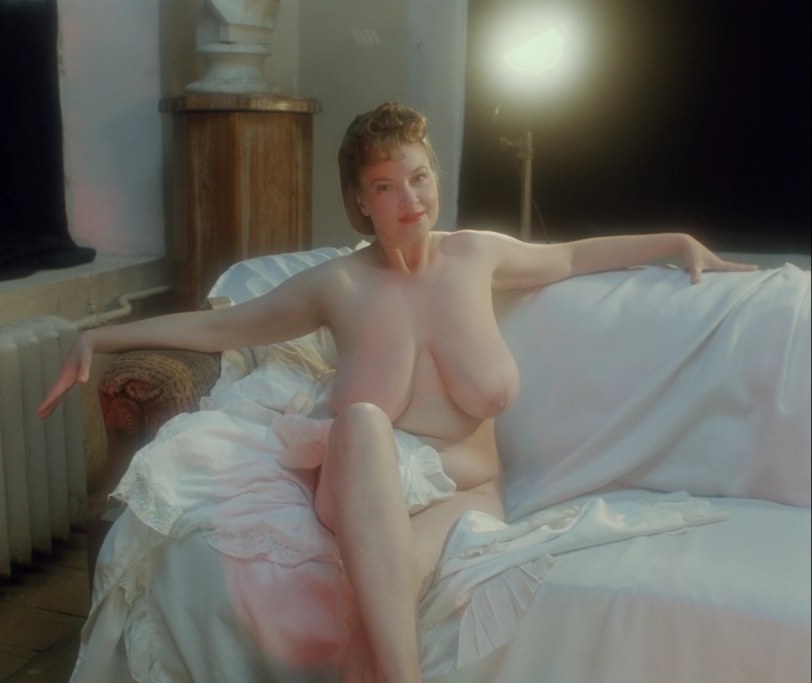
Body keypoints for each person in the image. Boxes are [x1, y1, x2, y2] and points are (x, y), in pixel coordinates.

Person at [39, 102, 757, 682]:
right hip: (357, 489)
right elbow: (222, 325)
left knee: (376, 633)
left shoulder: (476, 254)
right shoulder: (339, 285)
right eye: (386, 186)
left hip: (468, 498)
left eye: (418, 177)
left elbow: (569, 255)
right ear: (361, 200)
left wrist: (674, 240)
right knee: (360, 421)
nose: (410, 199)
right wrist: (102, 338)